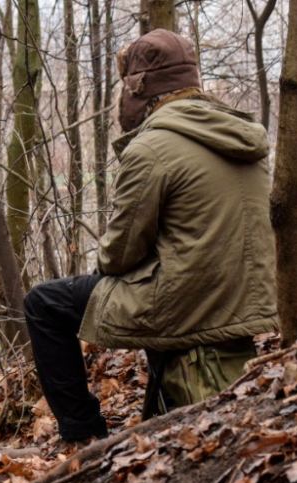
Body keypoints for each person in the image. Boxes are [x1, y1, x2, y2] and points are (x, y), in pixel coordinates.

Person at [23, 28, 278, 443]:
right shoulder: (239, 134)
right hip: (243, 298)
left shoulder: (154, 147)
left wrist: (106, 267)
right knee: (147, 281)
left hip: (191, 302)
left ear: (142, 91)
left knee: (45, 303)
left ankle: (83, 436)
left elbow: (119, 254)